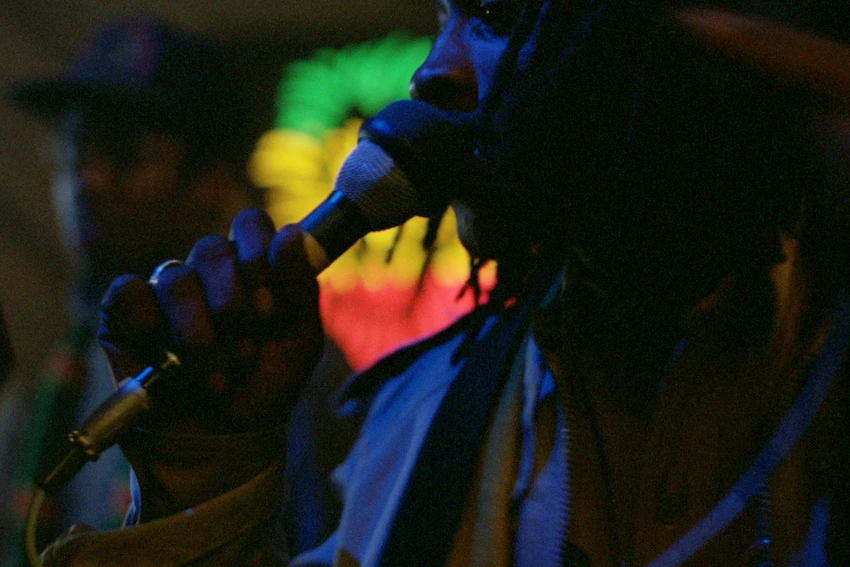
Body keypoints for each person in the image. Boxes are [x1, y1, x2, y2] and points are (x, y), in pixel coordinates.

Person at [36, 0, 850, 565]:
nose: (431, 73)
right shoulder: (422, 418)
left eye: (494, 14)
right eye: (442, 19)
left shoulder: (817, 363)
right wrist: (209, 485)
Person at [0, 14, 257, 566]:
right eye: (74, 149)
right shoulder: (52, 388)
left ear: (212, 181)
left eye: (123, 151)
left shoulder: (267, 372)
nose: (86, 179)